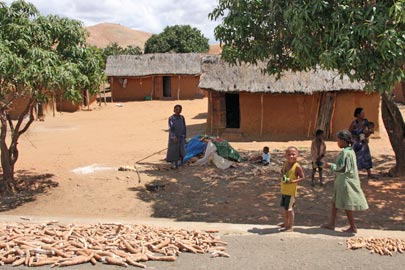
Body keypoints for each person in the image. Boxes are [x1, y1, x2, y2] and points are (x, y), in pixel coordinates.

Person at [321, 130, 369, 233]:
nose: (337, 143)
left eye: (338, 140)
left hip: (345, 181)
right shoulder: (350, 151)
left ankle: (352, 226)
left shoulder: (345, 153)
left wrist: (330, 166)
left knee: (346, 204)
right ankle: (331, 223)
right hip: (342, 180)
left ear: (343, 140)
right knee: (334, 202)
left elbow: (342, 168)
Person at [278, 146, 305, 232]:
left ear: (297, 155)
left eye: (293, 154)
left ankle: (290, 226)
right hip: (284, 190)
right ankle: (286, 223)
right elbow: (282, 172)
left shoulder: (297, 167)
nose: (291, 156)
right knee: (284, 208)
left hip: (291, 192)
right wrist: (283, 176)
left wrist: (292, 181)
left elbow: (302, 177)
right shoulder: (285, 164)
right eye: (289, 154)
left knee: (289, 209)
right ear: (285, 156)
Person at [348, 107, 375, 179]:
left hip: (363, 142)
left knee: (367, 156)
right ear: (358, 114)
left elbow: (367, 131)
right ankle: (353, 174)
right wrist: (356, 137)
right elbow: (349, 133)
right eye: (362, 113)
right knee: (355, 157)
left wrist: (369, 132)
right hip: (356, 142)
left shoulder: (366, 122)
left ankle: (369, 173)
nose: (364, 114)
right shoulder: (354, 123)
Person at [166, 104, 186, 169]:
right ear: (174, 110)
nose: (178, 111)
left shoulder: (182, 118)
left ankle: (182, 163)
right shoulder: (171, 118)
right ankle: (175, 164)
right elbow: (170, 128)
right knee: (174, 151)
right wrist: (174, 137)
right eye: (176, 109)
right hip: (174, 138)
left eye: (179, 109)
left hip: (181, 137)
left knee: (182, 150)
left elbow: (184, 127)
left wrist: (184, 136)